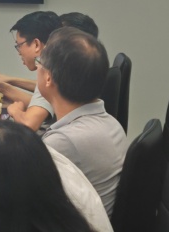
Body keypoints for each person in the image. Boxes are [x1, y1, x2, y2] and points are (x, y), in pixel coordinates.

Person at [37, 27, 127, 216]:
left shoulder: (63, 141)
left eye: (39, 63)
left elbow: (22, 200)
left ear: (48, 77)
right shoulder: (112, 123)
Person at [0, 10, 61, 130]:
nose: (19, 52)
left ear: (36, 44)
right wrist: (6, 86)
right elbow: (42, 101)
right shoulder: (60, 64)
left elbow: (28, 124)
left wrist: (15, 110)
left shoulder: (49, 71)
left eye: (19, 45)